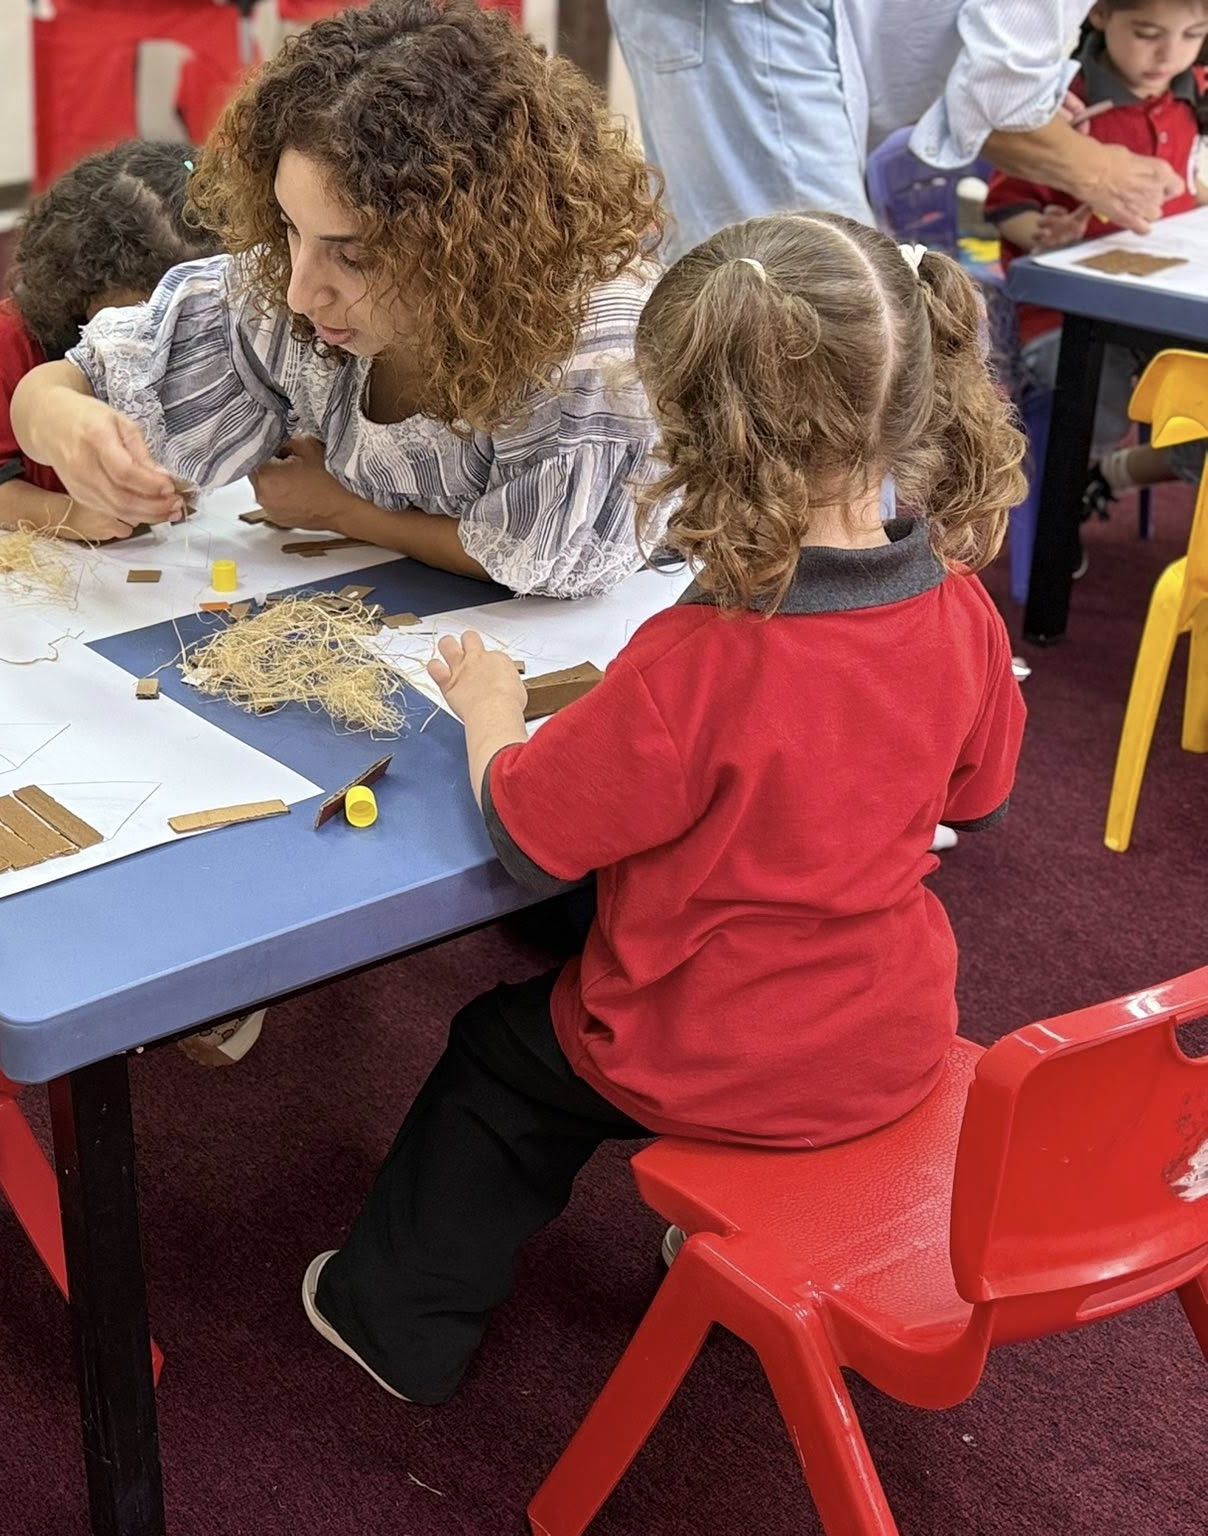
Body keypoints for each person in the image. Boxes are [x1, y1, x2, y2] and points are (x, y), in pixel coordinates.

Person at [302, 212, 1029, 1406]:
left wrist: (489, 709)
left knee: (500, 1055)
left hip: (705, 1046)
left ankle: (389, 1319)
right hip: (887, 1032)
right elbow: (977, 791)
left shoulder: (699, 655)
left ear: (686, 425)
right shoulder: (955, 610)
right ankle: (727, 1225)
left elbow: (530, 826)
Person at [10, 0, 668, 598]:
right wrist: (63, 422)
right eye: (291, 231)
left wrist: (344, 512)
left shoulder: (591, 359)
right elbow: (56, 385)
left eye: (354, 256)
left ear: (472, 245)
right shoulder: (288, 291)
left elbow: (542, 562)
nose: (301, 289)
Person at [610, 0, 1186, 261]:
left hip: (769, 27)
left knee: (787, 314)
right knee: (816, 318)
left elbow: (991, 90)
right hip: (750, 16)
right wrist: (1102, 170)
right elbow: (996, 97)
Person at [0, 139, 218, 542]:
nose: (158, 335)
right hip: (45, 555)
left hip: (158, 555)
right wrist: (70, 516)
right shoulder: (3, 347)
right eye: (137, 316)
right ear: (85, 279)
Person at [988, 0, 1208, 512]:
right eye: (1148, 32)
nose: (1167, 55)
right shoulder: (1059, 102)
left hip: (1162, 300)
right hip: (1066, 314)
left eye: (1193, 35)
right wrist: (1046, 233)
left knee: (1195, 394)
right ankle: (1059, 510)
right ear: (1102, 14)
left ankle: (1103, 480)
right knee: (1097, 409)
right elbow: (1007, 205)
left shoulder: (1190, 90)